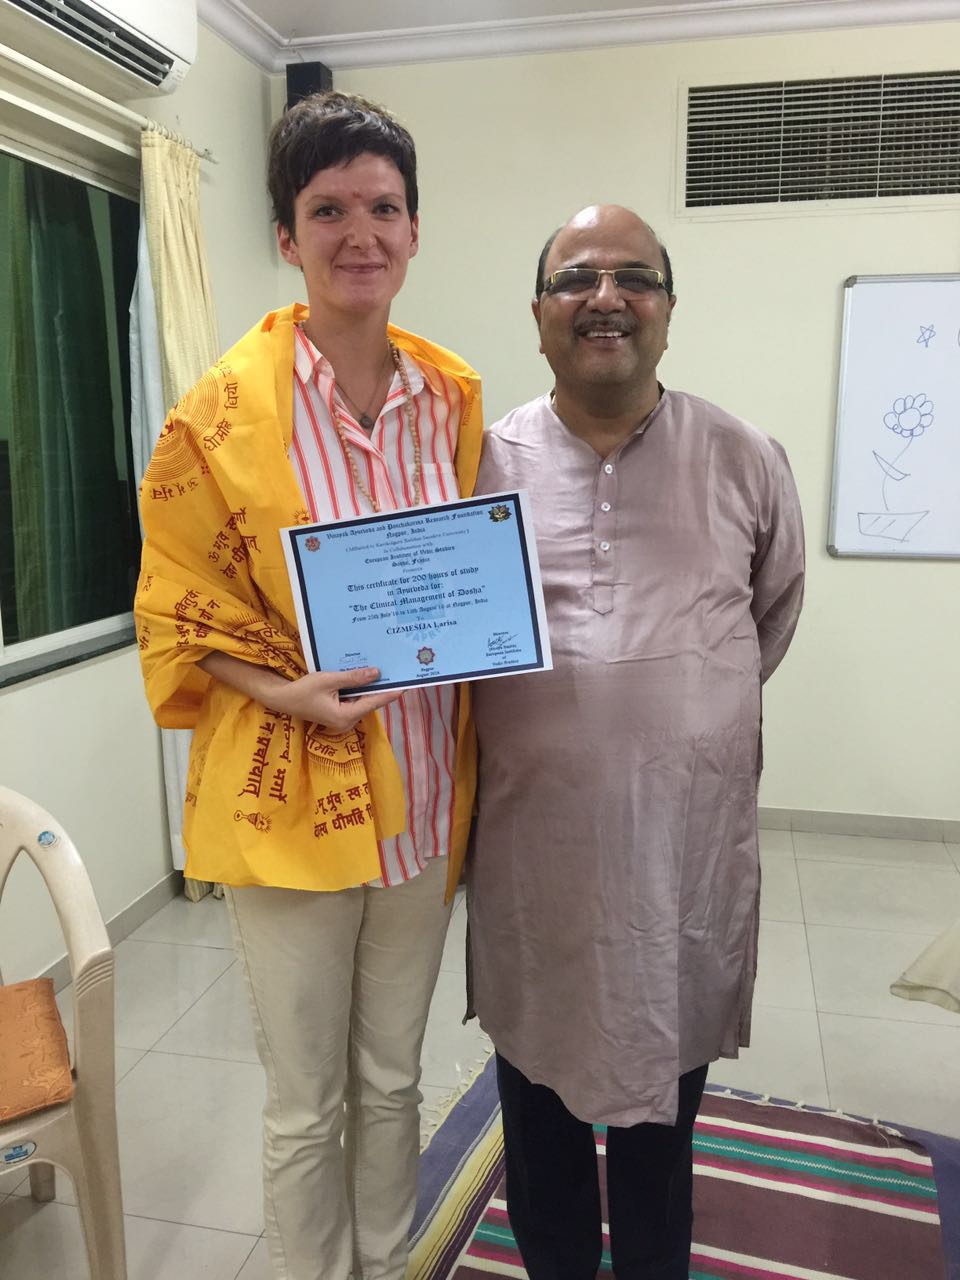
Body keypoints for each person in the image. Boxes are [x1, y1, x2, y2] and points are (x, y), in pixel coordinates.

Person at [135, 92, 482, 1280]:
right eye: (328, 209)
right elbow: (174, 606)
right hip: (288, 797)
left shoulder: (452, 398)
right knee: (305, 1100)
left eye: (383, 207)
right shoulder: (220, 412)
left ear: (416, 228)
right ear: (288, 236)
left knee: (392, 1078)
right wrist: (284, 694)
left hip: (424, 798)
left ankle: (385, 1262)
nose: (360, 233)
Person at [468, 204, 804, 1280]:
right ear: (538, 314)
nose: (605, 298)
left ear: (668, 308)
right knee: (541, 1126)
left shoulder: (745, 456)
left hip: (681, 859)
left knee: (665, 1129)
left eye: (634, 278)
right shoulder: (481, 463)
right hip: (536, 862)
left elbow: (770, 615)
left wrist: (681, 707)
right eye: (576, 278)